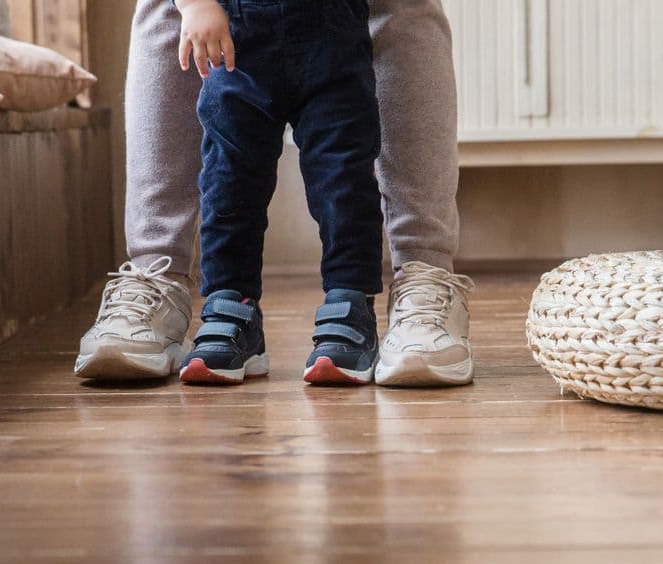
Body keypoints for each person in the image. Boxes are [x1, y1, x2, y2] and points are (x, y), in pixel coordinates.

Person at [75, 0, 475, 387]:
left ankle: (380, 295)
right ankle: (201, 295)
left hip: (335, 33)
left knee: (343, 176)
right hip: (236, 40)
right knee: (228, 179)